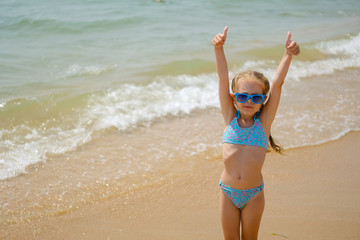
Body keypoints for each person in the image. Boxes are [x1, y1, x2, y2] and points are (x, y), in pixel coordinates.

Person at [211, 26, 300, 240]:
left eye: (256, 98)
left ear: (263, 101)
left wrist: (288, 54)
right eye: (243, 96)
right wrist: (218, 49)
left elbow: (277, 84)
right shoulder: (229, 118)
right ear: (234, 98)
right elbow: (223, 79)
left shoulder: (264, 123)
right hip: (228, 192)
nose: (249, 101)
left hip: (253, 195)